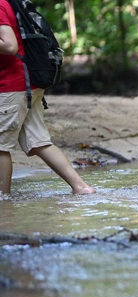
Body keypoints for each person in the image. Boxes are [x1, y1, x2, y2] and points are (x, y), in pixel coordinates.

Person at [0, 0, 94, 195]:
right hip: (27, 84)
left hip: (14, 85)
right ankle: (82, 188)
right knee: (39, 142)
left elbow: (9, 45)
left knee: (0, 148)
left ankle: (3, 201)